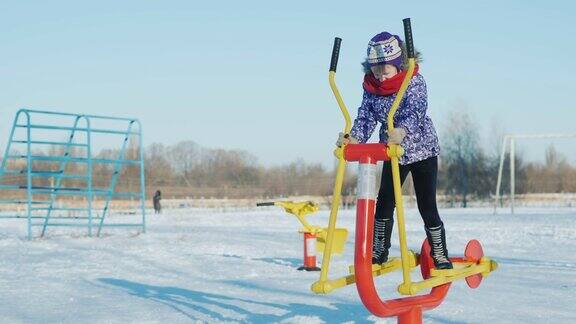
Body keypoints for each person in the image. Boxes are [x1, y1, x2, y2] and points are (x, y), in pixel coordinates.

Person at [336, 32, 452, 269]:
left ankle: (440, 254)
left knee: (426, 204)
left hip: (421, 151)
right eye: (375, 69)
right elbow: (366, 116)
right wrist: (355, 138)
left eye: (385, 69)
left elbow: (416, 110)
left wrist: (402, 130)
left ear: (398, 65)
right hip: (392, 152)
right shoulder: (371, 87)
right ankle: (379, 252)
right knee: (385, 201)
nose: (380, 75)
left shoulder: (413, 80)